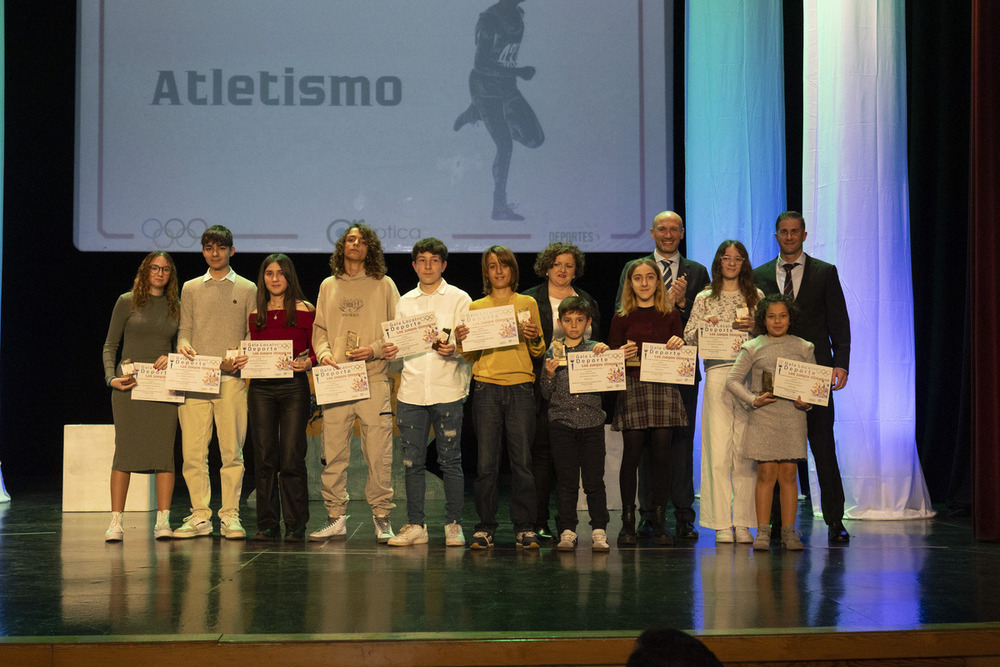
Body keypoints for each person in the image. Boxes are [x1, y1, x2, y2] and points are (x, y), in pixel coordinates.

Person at [752, 211, 851, 543]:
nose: (790, 237)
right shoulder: (760, 274)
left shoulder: (825, 272)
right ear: (776, 235)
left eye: (795, 232)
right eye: (784, 232)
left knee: (822, 447)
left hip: (816, 371)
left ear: (804, 235)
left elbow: (840, 321)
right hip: (773, 375)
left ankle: (835, 520)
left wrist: (842, 363)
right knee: (778, 451)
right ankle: (780, 525)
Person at [615, 211, 709, 540]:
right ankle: (646, 515)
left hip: (676, 376)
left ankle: (682, 513)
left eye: (673, 229)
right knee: (643, 450)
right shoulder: (634, 269)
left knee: (678, 446)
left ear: (682, 233)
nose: (668, 234)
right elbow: (621, 317)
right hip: (638, 381)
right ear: (652, 233)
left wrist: (681, 306)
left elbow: (700, 321)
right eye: (661, 229)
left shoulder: (697, 271)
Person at [310, 224, 400, 543]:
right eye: (351, 239)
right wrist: (322, 353)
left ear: (369, 248)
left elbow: (397, 330)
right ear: (342, 246)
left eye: (362, 241)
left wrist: (373, 350)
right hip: (337, 379)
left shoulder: (384, 285)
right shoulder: (327, 285)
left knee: (378, 452)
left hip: (372, 377)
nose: (356, 244)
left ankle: (381, 517)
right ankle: (336, 517)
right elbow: (319, 329)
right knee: (333, 452)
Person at [383, 238, 472, 548]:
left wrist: (456, 350)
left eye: (435, 260)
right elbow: (397, 348)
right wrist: (392, 349)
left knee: (450, 461)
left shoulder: (460, 298)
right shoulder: (405, 302)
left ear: (444, 265)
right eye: (422, 260)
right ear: (414, 265)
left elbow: (471, 344)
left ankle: (453, 524)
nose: (428, 266)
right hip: (411, 390)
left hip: (448, 388)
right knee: (412, 462)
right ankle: (416, 524)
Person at [173, 226, 257, 539]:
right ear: (203, 251)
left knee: (231, 453)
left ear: (231, 251)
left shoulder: (248, 288)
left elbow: (252, 334)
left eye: (221, 247)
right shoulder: (191, 288)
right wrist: (182, 344)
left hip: (231, 380)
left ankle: (231, 516)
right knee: (193, 453)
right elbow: (184, 329)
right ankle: (199, 516)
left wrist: (240, 356)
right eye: (209, 247)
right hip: (196, 378)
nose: (215, 253)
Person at [461, 245, 545, 549]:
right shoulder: (476, 307)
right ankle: (485, 527)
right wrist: (462, 341)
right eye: (492, 265)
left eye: (504, 265)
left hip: (521, 386)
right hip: (485, 387)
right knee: (486, 463)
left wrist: (534, 337)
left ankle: (525, 527)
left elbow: (538, 350)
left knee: (522, 462)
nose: (498, 270)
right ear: (487, 271)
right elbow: (470, 354)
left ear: (512, 270)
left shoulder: (527, 303)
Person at [683, 241, 762, 544]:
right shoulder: (705, 297)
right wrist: (703, 327)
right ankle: (719, 523)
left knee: (744, 451)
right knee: (717, 450)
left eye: (737, 258)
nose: (731, 263)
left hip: (748, 376)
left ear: (744, 262)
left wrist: (756, 326)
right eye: (725, 258)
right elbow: (689, 339)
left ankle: (743, 521)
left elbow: (771, 336)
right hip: (717, 373)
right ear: (718, 261)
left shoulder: (757, 297)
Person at [523, 242, 601, 540]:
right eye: (557, 264)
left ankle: (569, 524)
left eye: (569, 265)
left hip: (581, 394)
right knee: (543, 457)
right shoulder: (530, 299)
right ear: (546, 267)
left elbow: (598, 345)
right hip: (541, 388)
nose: (562, 270)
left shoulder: (587, 300)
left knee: (574, 466)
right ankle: (540, 520)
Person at [726, 294, 816, 551]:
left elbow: (814, 386)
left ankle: (788, 532)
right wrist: (753, 400)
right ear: (763, 320)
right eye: (771, 316)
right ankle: (763, 532)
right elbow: (732, 381)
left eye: (783, 316)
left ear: (791, 318)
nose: (777, 321)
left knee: (788, 474)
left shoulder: (804, 347)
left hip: (793, 417)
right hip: (764, 417)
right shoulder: (753, 347)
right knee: (766, 473)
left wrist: (806, 402)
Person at [101, 251, 181, 541]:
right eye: (155, 268)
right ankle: (116, 522)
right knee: (125, 453)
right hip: (130, 387)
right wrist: (111, 378)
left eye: (166, 269)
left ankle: (162, 522)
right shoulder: (127, 301)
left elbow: (184, 346)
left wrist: (170, 357)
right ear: (145, 271)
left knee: (164, 455)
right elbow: (110, 345)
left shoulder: (176, 306)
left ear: (171, 275)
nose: (160, 273)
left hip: (164, 387)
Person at [608, 258, 688, 546]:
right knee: (631, 455)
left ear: (658, 281)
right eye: (637, 278)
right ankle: (628, 521)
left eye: (650, 277)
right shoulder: (621, 316)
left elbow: (681, 356)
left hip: (663, 387)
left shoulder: (669, 314)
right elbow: (611, 360)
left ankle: (659, 521)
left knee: (662, 456)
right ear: (630, 283)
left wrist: (679, 344)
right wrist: (620, 352)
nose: (644, 282)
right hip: (632, 387)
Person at [453, 0, 544, 221]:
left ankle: (478, 114)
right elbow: (481, 64)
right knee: (505, 145)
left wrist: (515, 74)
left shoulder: (517, 14)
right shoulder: (489, 20)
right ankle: (499, 207)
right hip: (485, 88)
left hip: (507, 86)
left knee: (535, 139)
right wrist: (520, 71)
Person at [246, 254, 315, 542]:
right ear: (263, 278)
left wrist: (309, 361)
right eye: (269, 273)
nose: (275, 278)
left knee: (291, 457)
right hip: (260, 389)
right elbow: (247, 349)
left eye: (281, 273)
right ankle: (267, 524)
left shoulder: (306, 309)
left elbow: (315, 349)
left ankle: (296, 525)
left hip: (293, 388)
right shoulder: (254, 313)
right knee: (264, 457)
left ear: (290, 277)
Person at [539, 296, 610, 552]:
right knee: (567, 482)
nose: (573, 325)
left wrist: (606, 356)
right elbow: (546, 393)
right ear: (560, 322)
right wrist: (548, 374)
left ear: (588, 322)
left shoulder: (597, 348)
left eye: (579, 320)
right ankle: (567, 530)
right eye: (568, 320)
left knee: (594, 481)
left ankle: (599, 529)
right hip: (562, 424)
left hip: (591, 423)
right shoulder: (553, 351)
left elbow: (610, 382)